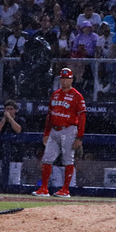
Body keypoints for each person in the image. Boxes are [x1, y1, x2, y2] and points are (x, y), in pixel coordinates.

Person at [32, 68, 86, 198]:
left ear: (72, 79)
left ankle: (65, 190)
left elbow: (82, 117)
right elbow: (49, 115)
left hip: (69, 129)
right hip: (54, 129)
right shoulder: (55, 94)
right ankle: (44, 188)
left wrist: (80, 137)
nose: (64, 80)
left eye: (67, 78)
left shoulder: (77, 96)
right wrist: (46, 132)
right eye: (62, 78)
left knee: (68, 159)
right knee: (47, 159)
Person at [0, 99, 25, 185]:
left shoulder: (20, 120)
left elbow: (18, 130)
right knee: (0, 181)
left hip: (16, 156)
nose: (9, 111)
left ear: (15, 110)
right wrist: (3, 120)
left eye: (11, 109)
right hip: (1, 155)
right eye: (7, 109)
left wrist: (10, 118)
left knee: (14, 182)